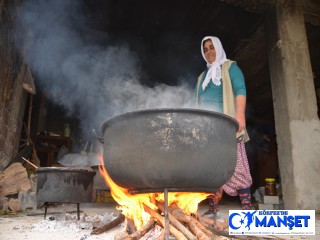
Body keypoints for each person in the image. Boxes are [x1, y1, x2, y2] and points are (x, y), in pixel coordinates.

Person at [190, 36, 253, 217]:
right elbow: (194, 102)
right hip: (206, 129)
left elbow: (240, 89)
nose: (209, 52)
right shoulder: (202, 77)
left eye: (212, 47)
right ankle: (213, 209)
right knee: (210, 168)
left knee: (236, 165)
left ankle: (247, 209)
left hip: (226, 125)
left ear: (218, 48)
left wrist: (240, 114)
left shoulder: (231, 67)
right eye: (206, 49)